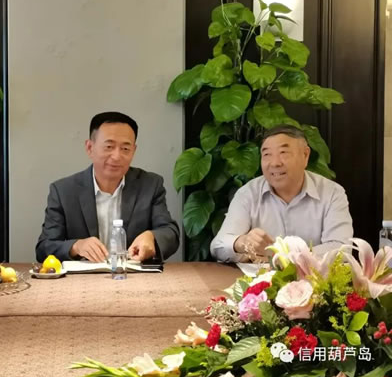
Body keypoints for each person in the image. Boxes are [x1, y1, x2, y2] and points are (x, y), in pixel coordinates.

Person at [36, 111, 180, 263]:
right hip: (83, 277)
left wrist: (152, 237)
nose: (116, 156)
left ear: (134, 151)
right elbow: (44, 248)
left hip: (133, 275)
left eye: (125, 149)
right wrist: (76, 246)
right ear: (90, 148)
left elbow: (170, 232)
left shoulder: (150, 185)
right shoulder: (63, 191)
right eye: (109, 146)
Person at [210, 124, 353, 262]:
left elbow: (341, 249)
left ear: (305, 155)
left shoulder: (332, 193)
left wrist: (283, 257)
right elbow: (218, 246)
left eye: (283, 153)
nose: (275, 163)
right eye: (267, 154)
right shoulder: (248, 193)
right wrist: (242, 242)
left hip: (312, 277)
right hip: (258, 278)